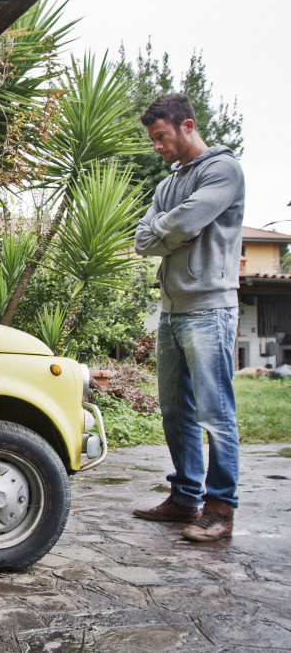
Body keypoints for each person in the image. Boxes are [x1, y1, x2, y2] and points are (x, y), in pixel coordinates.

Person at [132, 93, 245, 542]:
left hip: (210, 308)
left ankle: (219, 507)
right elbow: (145, 238)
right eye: (153, 139)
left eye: (161, 137)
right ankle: (185, 498)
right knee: (175, 411)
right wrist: (174, 230)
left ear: (187, 126)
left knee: (216, 413)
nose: (156, 146)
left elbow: (182, 224)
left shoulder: (223, 170)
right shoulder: (167, 185)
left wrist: (174, 229)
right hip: (172, 310)